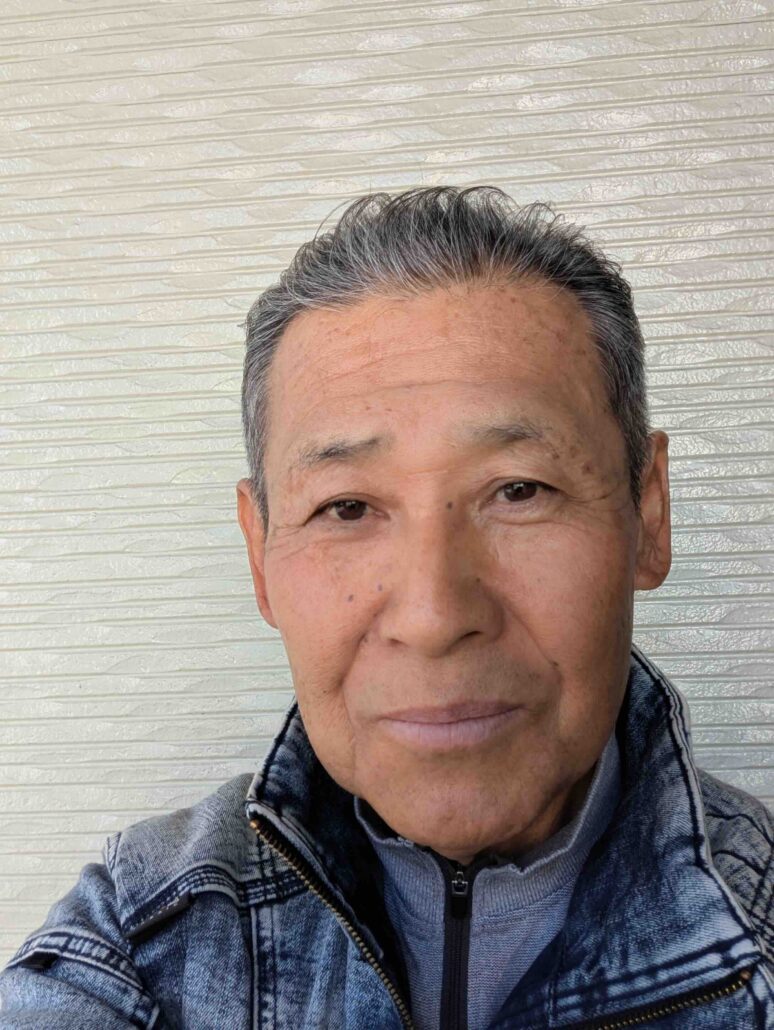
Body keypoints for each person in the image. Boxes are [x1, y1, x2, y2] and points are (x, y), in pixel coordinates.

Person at [1, 187, 771, 1030]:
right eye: (347, 507)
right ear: (260, 555)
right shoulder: (139, 938)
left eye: (520, 490)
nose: (434, 617)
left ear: (648, 516)